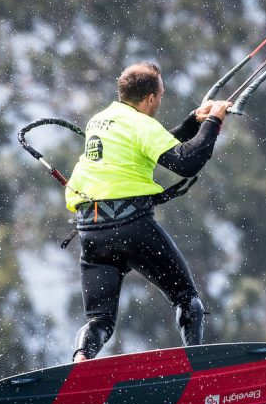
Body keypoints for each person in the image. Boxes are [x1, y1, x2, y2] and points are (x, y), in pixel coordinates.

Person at [64, 61, 230, 362]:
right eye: (161, 96)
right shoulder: (142, 125)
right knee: (186, 298)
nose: (160, 101)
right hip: (130, 227)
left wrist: (194, 121)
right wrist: (214, 122)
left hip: (91, 232)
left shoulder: (99, 120)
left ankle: (81, 358)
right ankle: (194, 365)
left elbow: (150, 147)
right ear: (151, 97)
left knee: (99, 320)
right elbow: (186, 162)